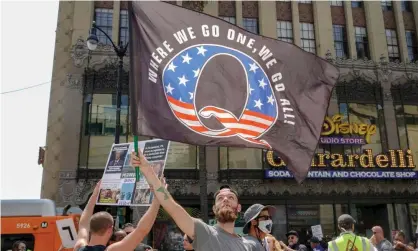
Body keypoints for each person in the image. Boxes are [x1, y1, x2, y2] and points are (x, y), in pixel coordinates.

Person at [131, 151, 264, 251]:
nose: (225, 200)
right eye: (220, 198)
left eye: (231, 198)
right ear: (214, 209)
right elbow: (173, 208)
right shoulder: (205, 233)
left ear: (239, 207)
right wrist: (148, 171)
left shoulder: (248, 245)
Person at [73, 180, 162, 251]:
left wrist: (94, 195)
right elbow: (141, 230)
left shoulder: (79, 247)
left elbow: (83, 223)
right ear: (109, 229)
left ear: (91, 228)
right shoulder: (112, 249)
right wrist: (158, 198)